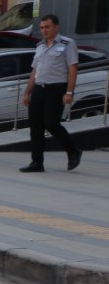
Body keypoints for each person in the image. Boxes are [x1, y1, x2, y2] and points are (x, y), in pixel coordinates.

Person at [19, 14, 82, 173]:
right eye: (41, 27)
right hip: (40, 89)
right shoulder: (40, 46)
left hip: (57, 89)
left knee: (51, 123)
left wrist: (69, 91)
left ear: (56, 27)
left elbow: (73, 69)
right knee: (35, 127)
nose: (44, 30)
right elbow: (35, 71)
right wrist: (27, 92)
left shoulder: (67, 44)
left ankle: (73, 150)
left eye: (47, 27)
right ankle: (37, 163)